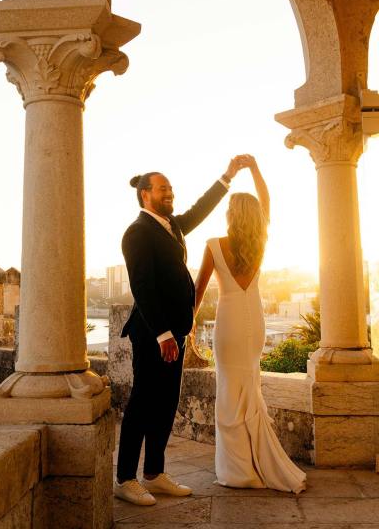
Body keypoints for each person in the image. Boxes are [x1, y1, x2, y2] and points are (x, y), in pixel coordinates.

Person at [115, 156, 249, 506]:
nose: (170, 193)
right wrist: (163, 334)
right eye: (163, 189)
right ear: (146, 194)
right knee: (142, 403)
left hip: (175, 333)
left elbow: (200, 210)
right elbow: (142, 286)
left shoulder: (171, 225)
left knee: (166, 404)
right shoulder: (137, 232)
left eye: (171, 188)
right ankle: (125, 478)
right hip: (152, 335)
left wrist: (227, 176)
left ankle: (154, 473)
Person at [194, 155, 306, 493]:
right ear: (254, 216)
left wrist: (187, 330)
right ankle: (256, 463)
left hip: (227, 324)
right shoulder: (260, 242)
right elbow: (267, 201)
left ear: (231, 216)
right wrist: (255, 168)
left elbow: (196, 293)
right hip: (254, 321)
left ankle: (238, 471)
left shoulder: (214, 245)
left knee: (229, 394)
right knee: (250, 389)